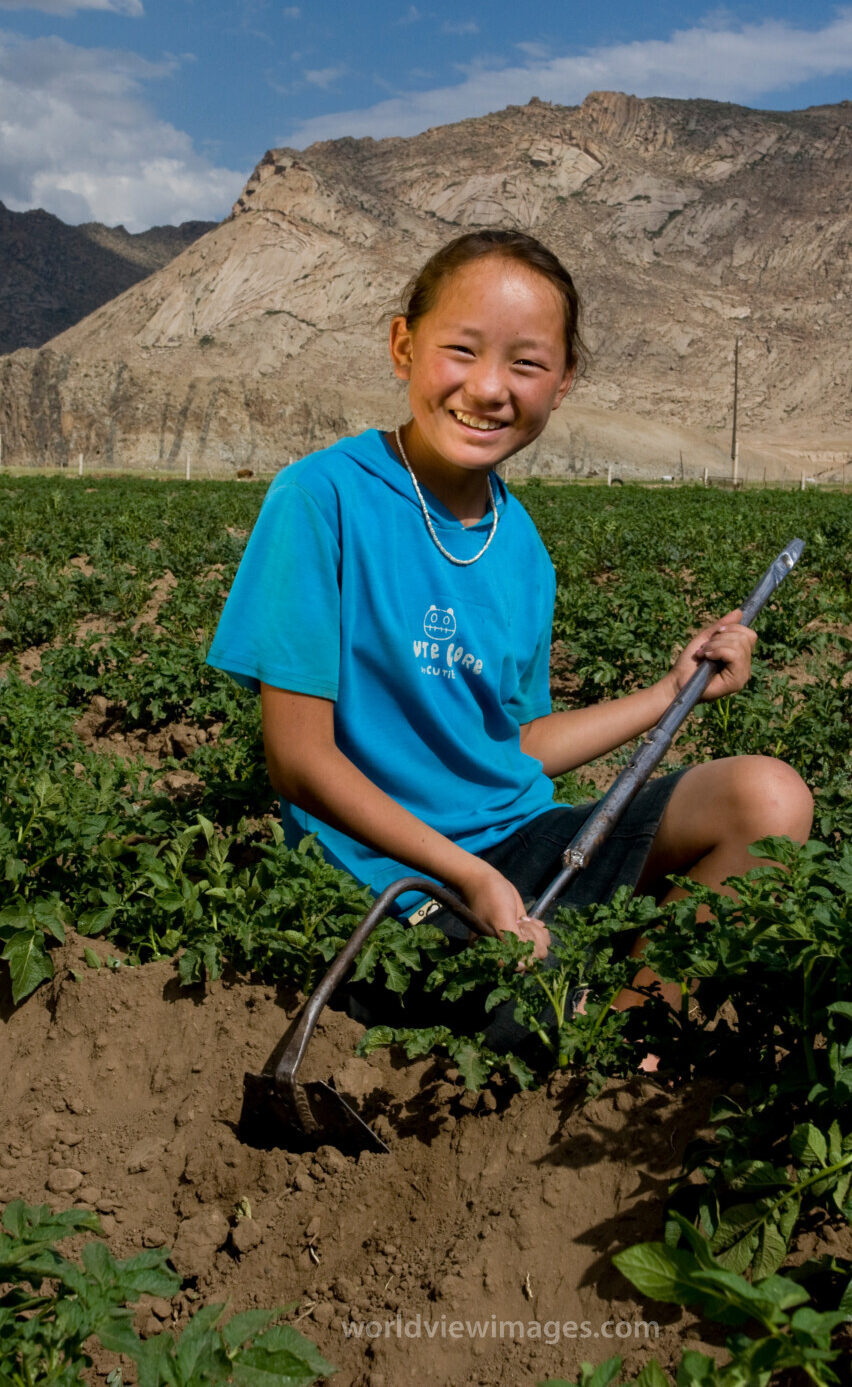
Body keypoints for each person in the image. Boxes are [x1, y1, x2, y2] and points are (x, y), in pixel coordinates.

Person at [206, 229, 813, 1041]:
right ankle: (579, 1017)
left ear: (562, 383)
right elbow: (299, 761)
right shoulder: (322, 499)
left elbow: (513, 744)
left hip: (517, 845)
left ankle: (625, 1044)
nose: (489, 389)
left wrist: (671, 692)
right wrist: (470, 876)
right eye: (462, 350)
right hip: (390, 881)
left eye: (526, 364)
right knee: (533, 1006)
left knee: (769, 799)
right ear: (403, 345)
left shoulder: (522, 549)